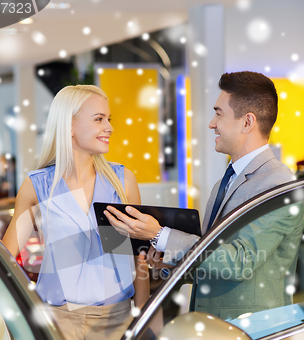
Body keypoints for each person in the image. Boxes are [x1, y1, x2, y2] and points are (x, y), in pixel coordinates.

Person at [104, 71, 300, 319]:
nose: (211, 123)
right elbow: (213, 262)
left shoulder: (278, 183)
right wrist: (169, 261)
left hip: (253, 331)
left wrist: (159, 234)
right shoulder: (225, 182)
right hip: (216, 328)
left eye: (219, 113)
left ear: (247, 122)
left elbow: (240, 262)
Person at [2, 84, 149, 340]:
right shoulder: (38, 185)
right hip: (57, 323)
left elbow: (139, 257)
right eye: (99, 119)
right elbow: (6, 257)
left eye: (109, 119)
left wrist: (142, 318)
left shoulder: (123, 181)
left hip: (115, 321)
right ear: (70, 125)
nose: (108, 127)